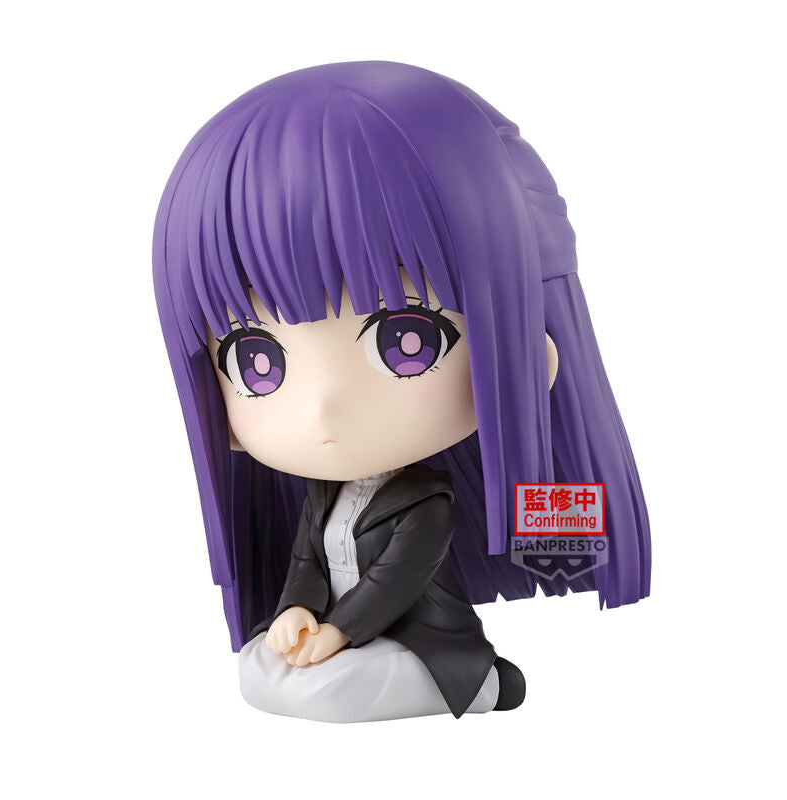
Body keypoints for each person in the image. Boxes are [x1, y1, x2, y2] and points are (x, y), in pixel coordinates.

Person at [152, 61, 651, 722]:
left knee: (326, 687)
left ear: (528, 354)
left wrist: (338, 632)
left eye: (406, 340)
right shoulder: (321, 493)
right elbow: (306, 562)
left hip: (416, 640)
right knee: (263, 667)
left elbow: (395, 583)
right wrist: (296, 608)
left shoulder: (427, 504)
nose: (324, 406)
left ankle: (478, 684)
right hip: (343, 635)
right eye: (256, 362)